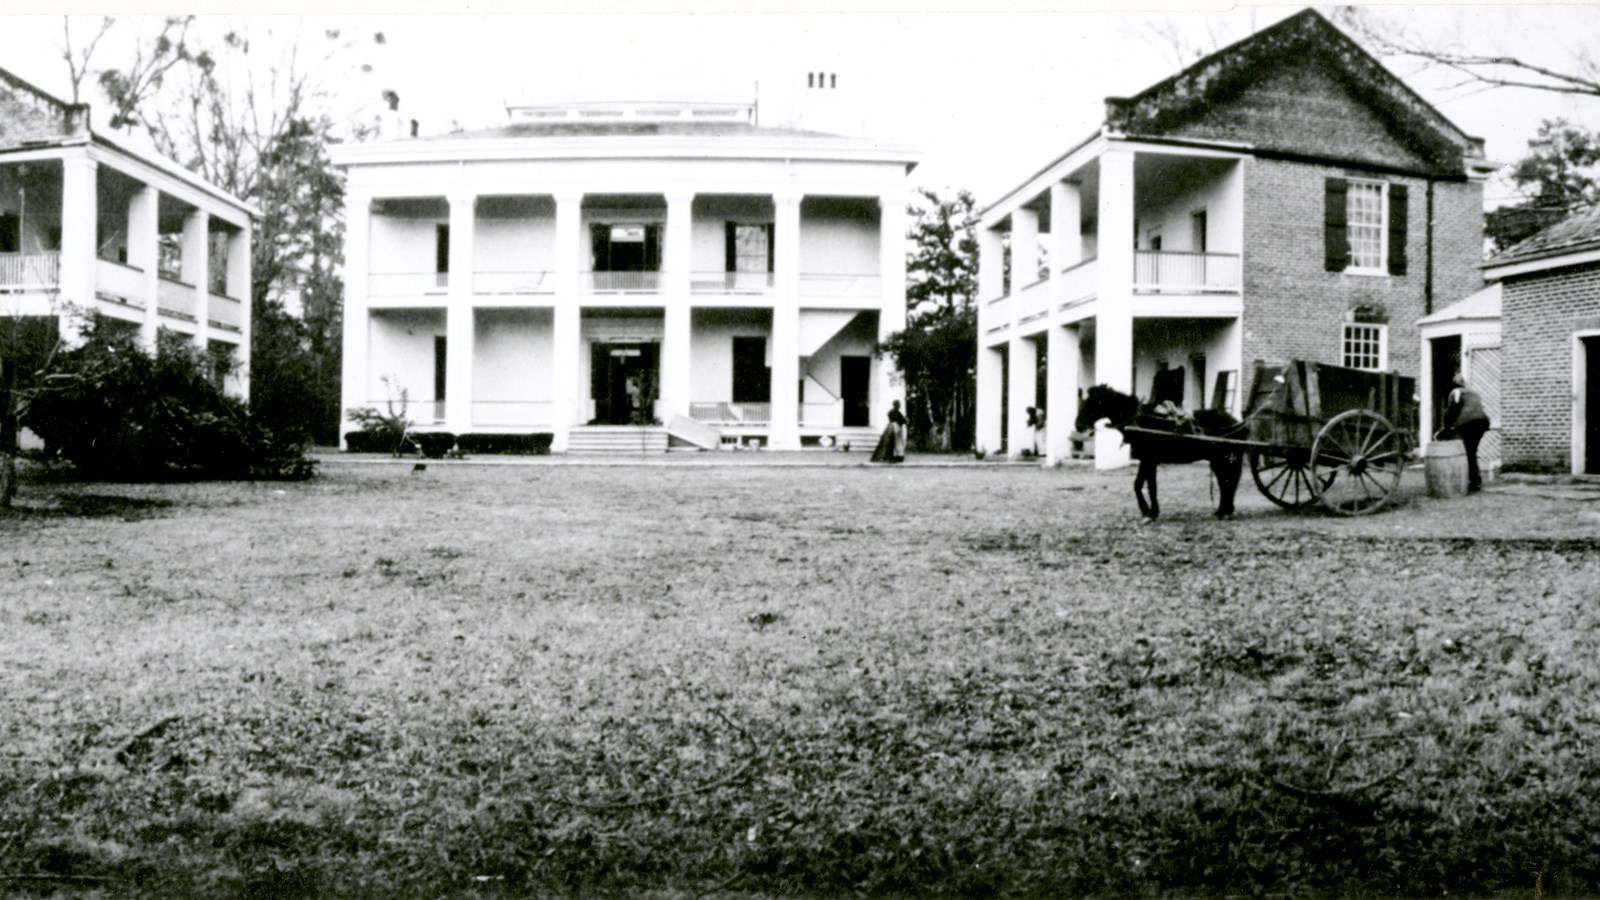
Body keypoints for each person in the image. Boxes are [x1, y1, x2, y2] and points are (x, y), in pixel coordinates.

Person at [1442, 371, 1491, 493]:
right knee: (1471, 451)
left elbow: (1452, 411)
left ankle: (1473, 482)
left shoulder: (1455, 392)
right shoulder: (1473, 392)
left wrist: (1446, 428)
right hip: (1482, 422)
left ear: (1453, 385)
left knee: (1468, 452)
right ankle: (1475, 481)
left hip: (1469, 424)